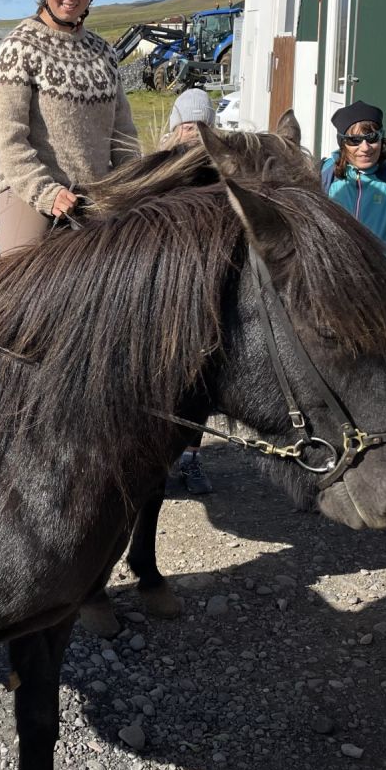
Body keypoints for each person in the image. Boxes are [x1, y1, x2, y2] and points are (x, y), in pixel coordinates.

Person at [0, 0, 140, 254]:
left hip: (96, 194)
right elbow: (8, 137)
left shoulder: (104, 54)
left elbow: (123, 134)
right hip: (28, 189)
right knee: (22, 275)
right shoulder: (18, 48)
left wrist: (133, 184)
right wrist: (45, 191)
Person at [160, 87, 216, 492]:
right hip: (167, 291)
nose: (192, 131)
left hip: (205, 291)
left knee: (200, 381)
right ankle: (160, 459)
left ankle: (192, 458)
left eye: (200, 124)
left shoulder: (221, 170)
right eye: (186, 124)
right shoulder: (159, 169)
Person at [319, 100, 386, 261]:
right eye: (354, 140)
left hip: (382, 273)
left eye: (372, 138)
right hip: (334, 271)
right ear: (342, 143)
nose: (365, 147)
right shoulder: (324, 174)